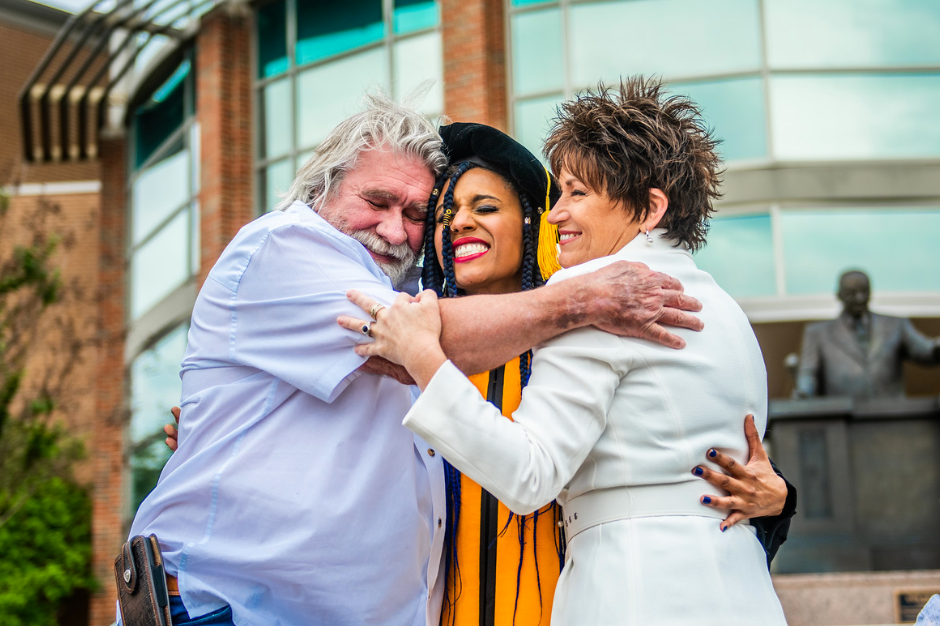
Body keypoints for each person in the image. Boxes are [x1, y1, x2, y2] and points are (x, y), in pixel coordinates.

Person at [122, 92, 706, 626]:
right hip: (232, 610)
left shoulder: (557, 343)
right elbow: (412, 344)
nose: (397, 229)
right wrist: (583, 297)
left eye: (418, 213)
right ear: (319, 189)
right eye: (378, 202)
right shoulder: (287, 249)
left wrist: (773, 498)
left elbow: (657, 442)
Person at [347, 78, 789, 624]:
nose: (557, 214)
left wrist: (421, 354)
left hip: (631, 590)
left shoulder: (605, 300)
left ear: (648, 209)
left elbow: (531, 475)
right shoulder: (725, 308)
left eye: (577, 193)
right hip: (738, 592)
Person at [794, 269, 940, 398]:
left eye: (864, 291)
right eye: (852, 293)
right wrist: (804, 392)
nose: (860, 298)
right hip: (842, 418)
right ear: (839, 295)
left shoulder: (895, 325)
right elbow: (808, 373)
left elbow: (923, 350)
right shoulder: (818, 333)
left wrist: (936, 348)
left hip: (891, 417)